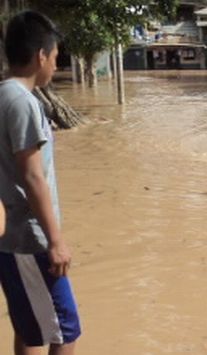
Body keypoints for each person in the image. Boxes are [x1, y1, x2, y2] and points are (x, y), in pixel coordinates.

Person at [0, 11, 81, 355]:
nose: (55, 65)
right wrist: (56, 240)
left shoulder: (5, 95)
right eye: (56, 56)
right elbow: (33, 176)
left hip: (14, 238)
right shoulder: (22, 102)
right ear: (40, 56)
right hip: (29, 239)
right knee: (65, 331)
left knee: (30, 329)